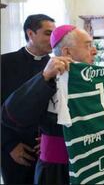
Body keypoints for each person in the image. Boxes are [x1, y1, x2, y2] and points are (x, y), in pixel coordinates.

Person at [2, 25, 97, 184]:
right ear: (67, 52)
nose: (94, 51)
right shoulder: (50, 77)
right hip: (56, 170)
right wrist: (45, 77)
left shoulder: (92, 78)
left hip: (88, 163)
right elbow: (10, 114)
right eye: (88, 45)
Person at [1, 14, 55, 184]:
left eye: (54, 34)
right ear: (30, 34)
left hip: (48, 152)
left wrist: (49, 140)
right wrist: (9, 144)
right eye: (47, 33)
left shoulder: (56, 66)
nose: (53, 39)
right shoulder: (4, 63)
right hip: (15, 150)